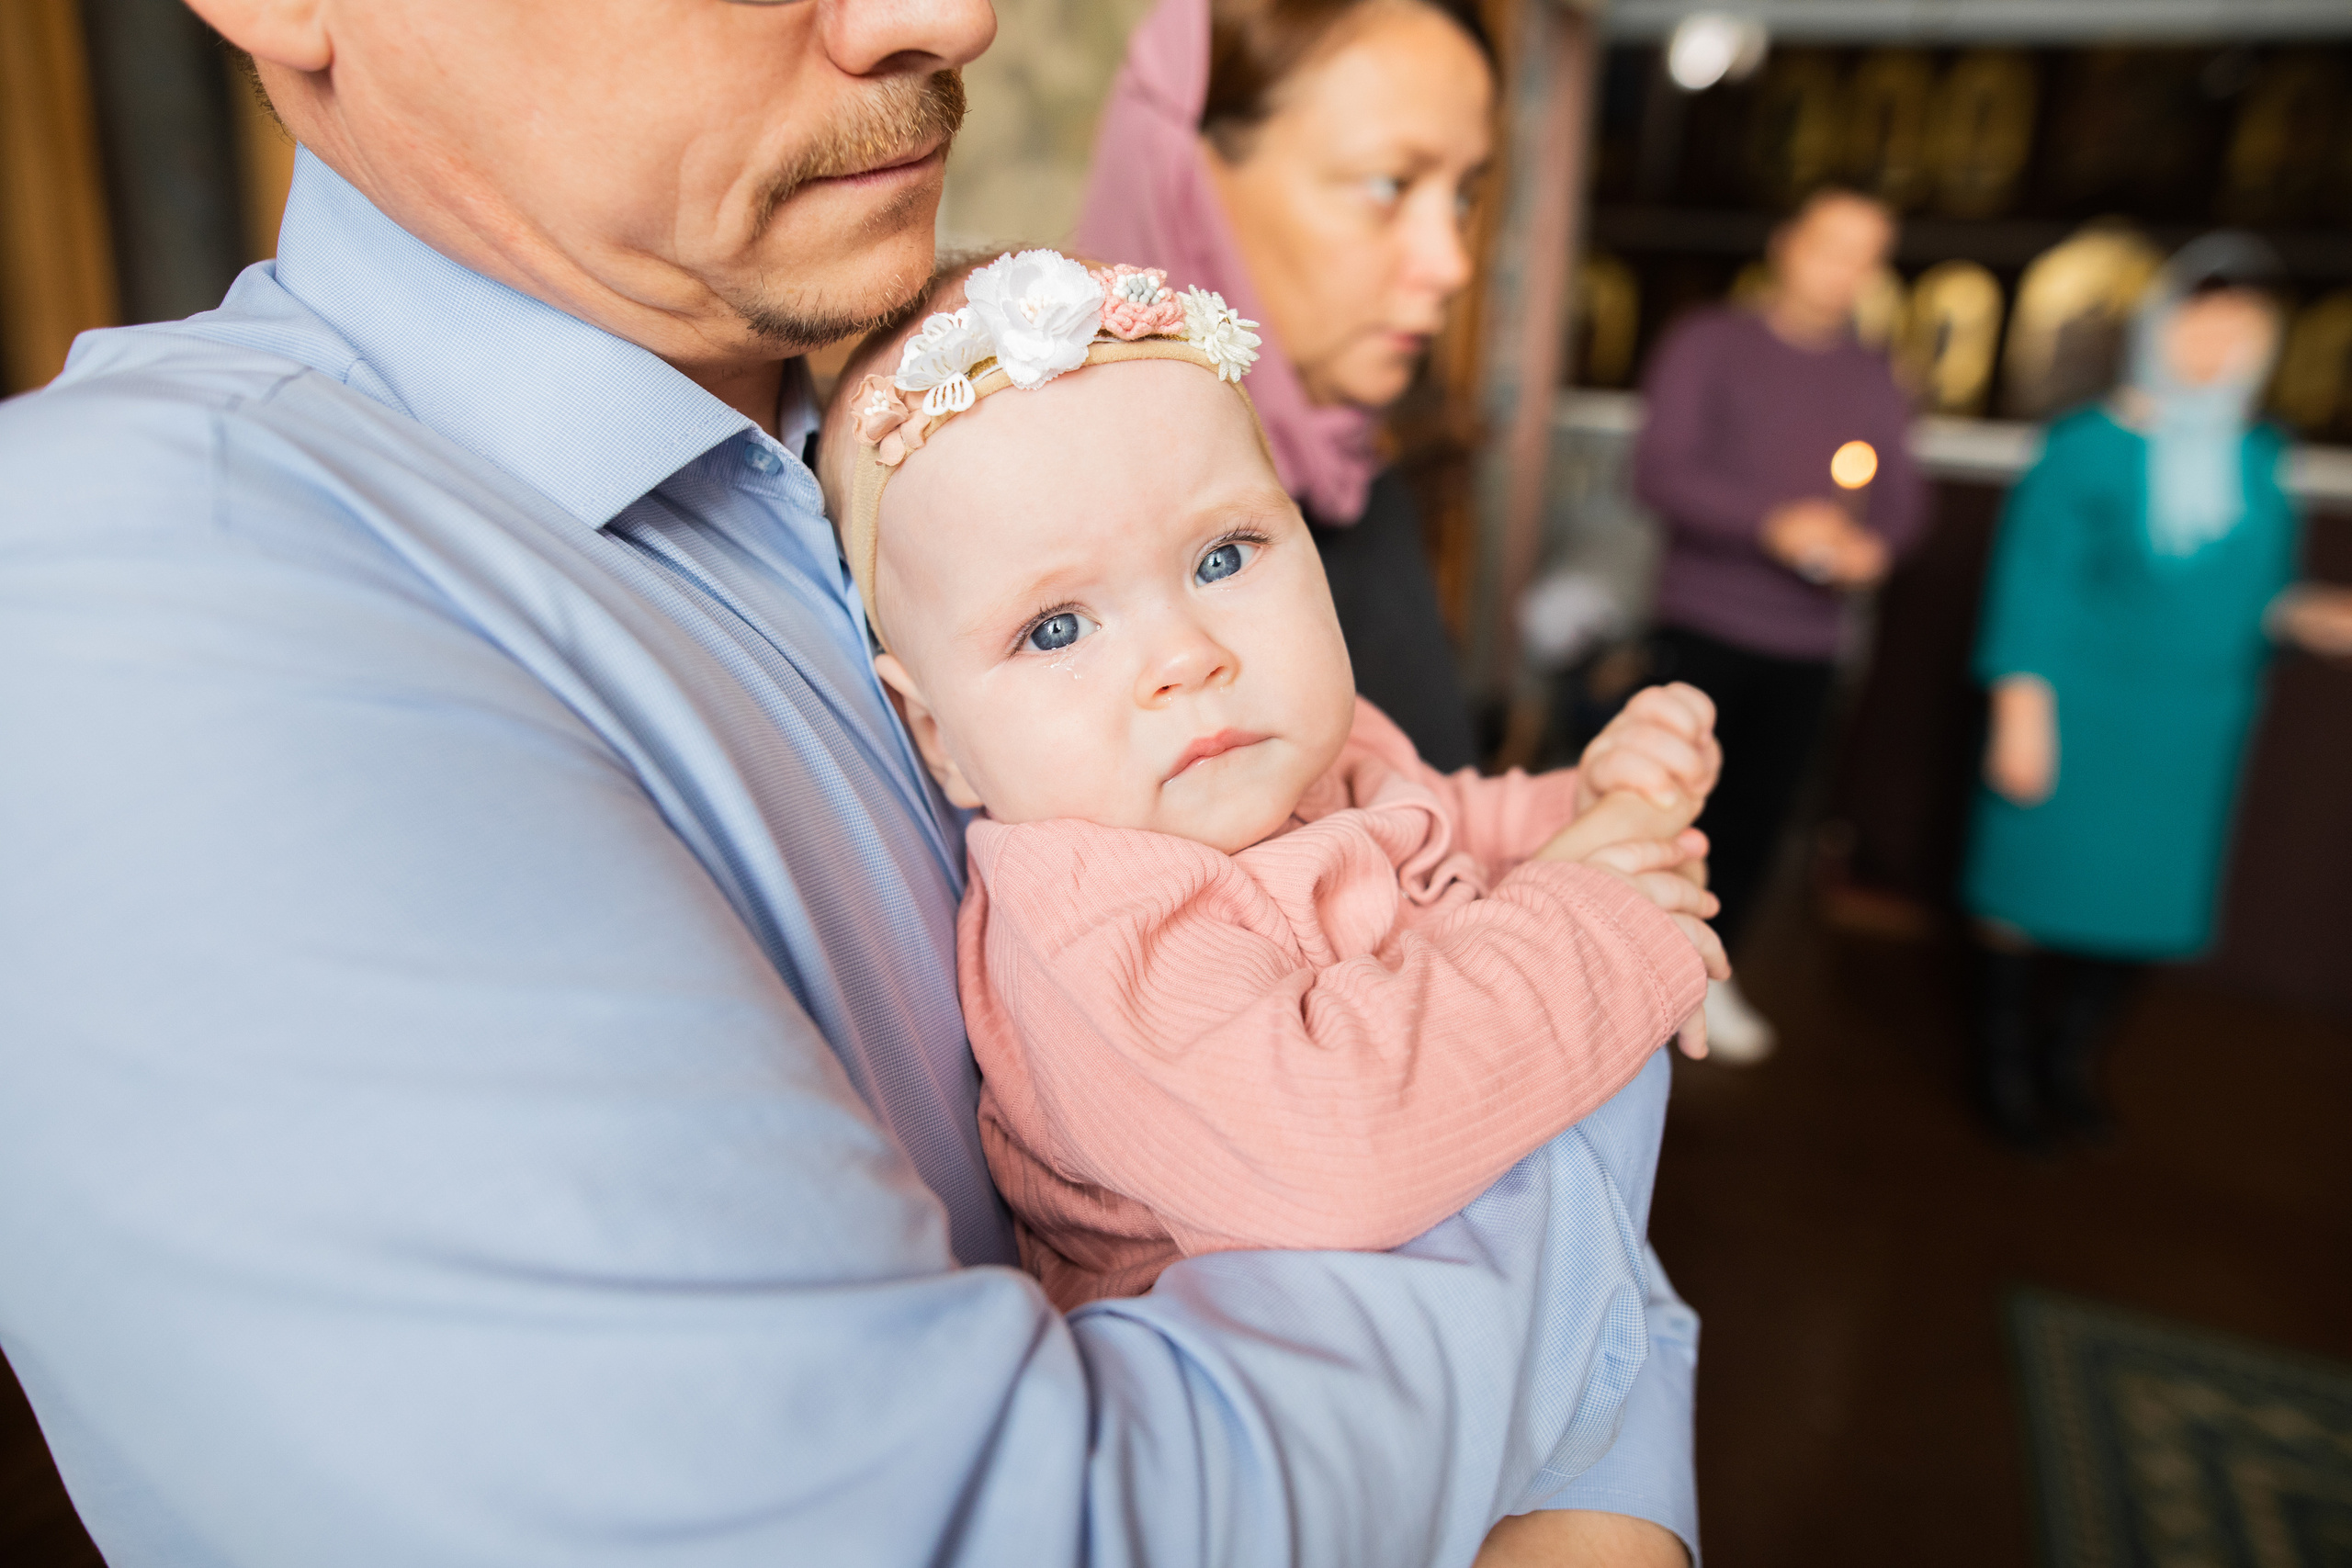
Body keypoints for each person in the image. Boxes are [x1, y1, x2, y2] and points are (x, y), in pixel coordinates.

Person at [0, 4, 1714, 1564]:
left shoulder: (953, 431)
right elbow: (998, 1529)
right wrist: (1589, 1091)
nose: (949, 14)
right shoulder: (129, 592)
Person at [817, 247, 1724, 1312]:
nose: (1187, 658)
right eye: (1055, 629)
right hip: (1310, 1428)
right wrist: (1592, 927)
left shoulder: (1307, 749)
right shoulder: (1098, 923)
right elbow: (1338, 1149)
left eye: (1223, 557)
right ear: (940, 737)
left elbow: (1435, 825)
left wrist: (1574, 806)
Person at [1964, 233, 2352, 1146]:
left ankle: (2070, 1060)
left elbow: (2248, 593)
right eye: (2202, 325)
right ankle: (2000, 1067)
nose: (2219, 347)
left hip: (2188, 730)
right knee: (2025, 893)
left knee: (2141, 905)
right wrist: (2021, 713)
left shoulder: (2257, 457)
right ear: (2160, 325)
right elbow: (2030, 588)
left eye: (2242, 331)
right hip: (2073, 712)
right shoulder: (2084, 448)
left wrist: (2306, 616)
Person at [1076, 0, 1487, 772]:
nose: (1453, 263)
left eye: (1463, 195)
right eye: (1388, 183)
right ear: (1185, 180)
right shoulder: (1057, 545)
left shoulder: (1352, 475)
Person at [1631, 186, 1929, 1062]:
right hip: (1704, 622)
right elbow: (1658, 474)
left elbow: (1906, 504)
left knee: (1759, 820)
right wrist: (1772, 523)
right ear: (1787, 244)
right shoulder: (1708, 342)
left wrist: (1874, 548)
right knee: (1661, 806)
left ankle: (1709, 984)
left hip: (1809, 641)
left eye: (1868, 253)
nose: (1845, 269)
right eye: (1832, 244)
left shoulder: (1874, 372)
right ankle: (1625, 968)